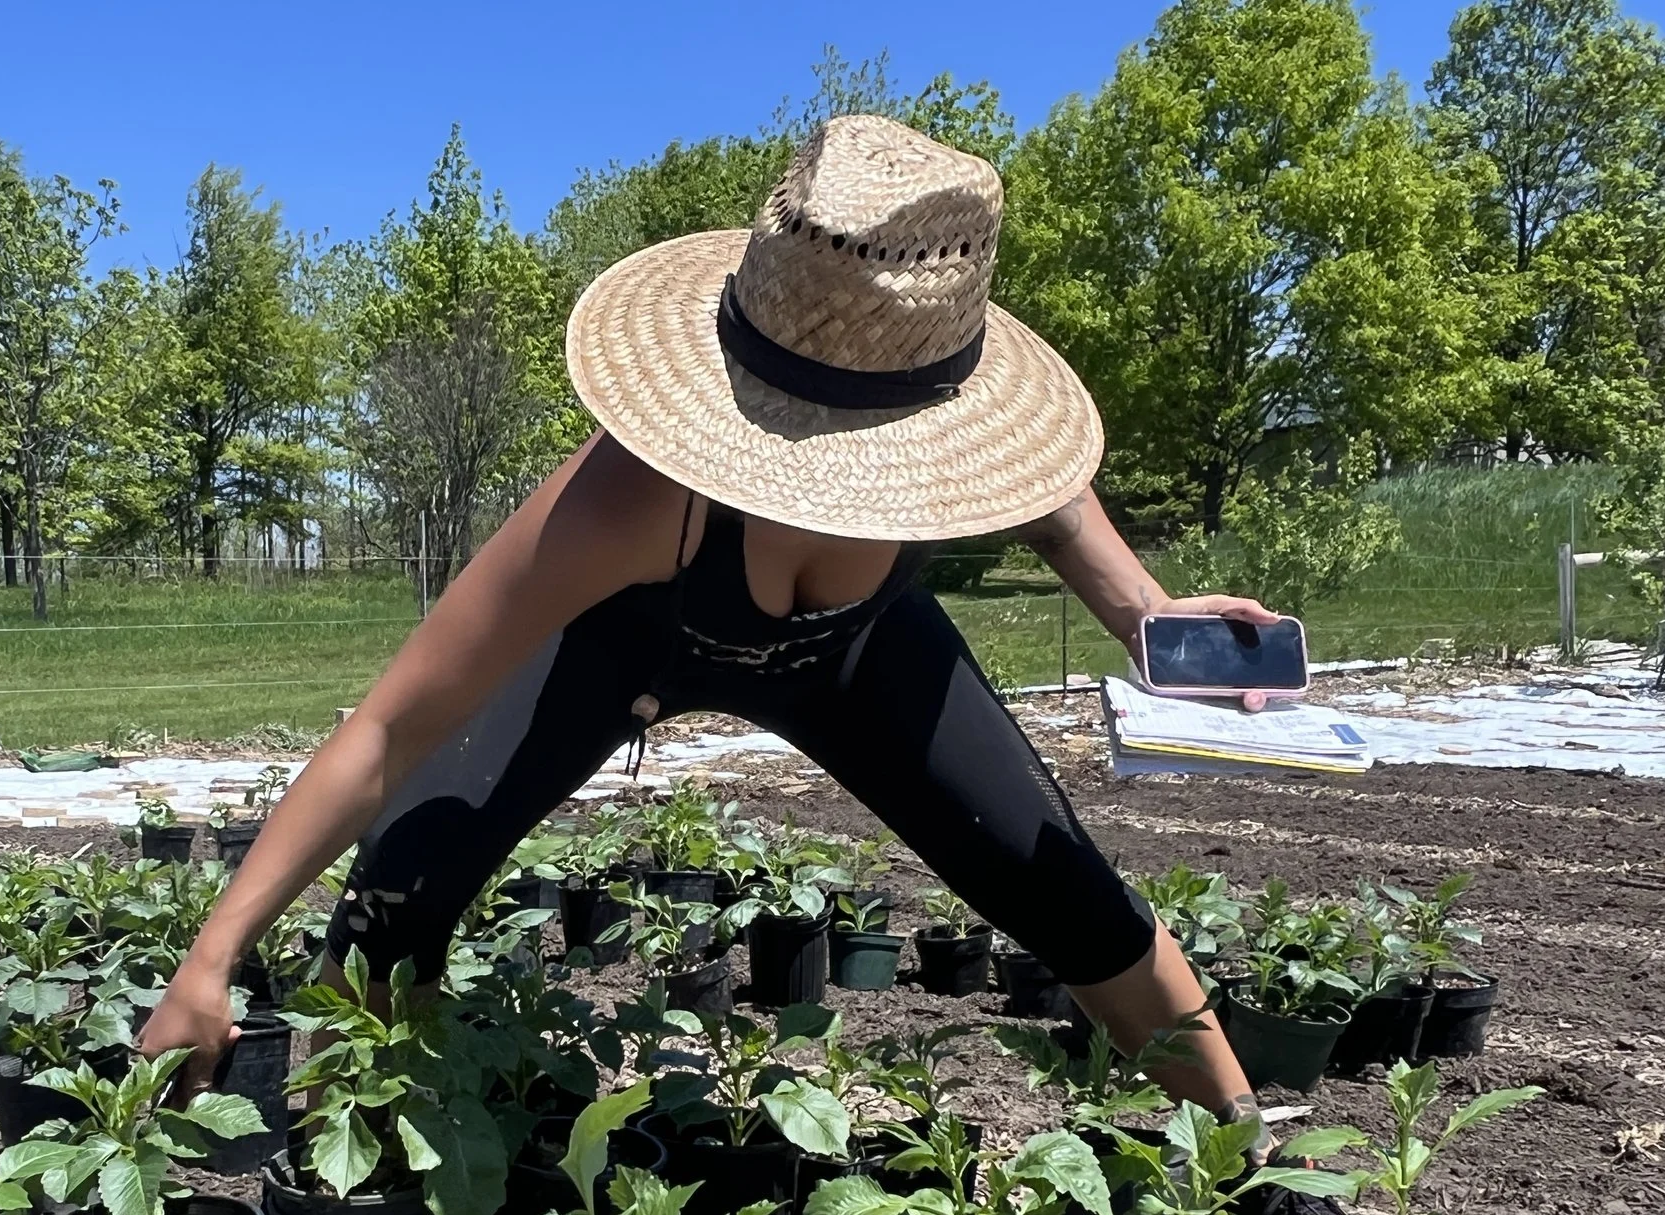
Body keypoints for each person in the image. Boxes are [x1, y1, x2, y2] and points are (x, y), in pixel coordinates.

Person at [136, 114, 1275, 1132]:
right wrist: (211, 955)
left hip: (859, 653)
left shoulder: (956, 414)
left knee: (1056, 881)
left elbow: (1059, 506)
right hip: (627, 644)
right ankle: (348, 1180)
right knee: (406, 879)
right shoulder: (628, 501)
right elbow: (392, 729)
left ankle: (1240, 1146)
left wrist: (1148, 616)